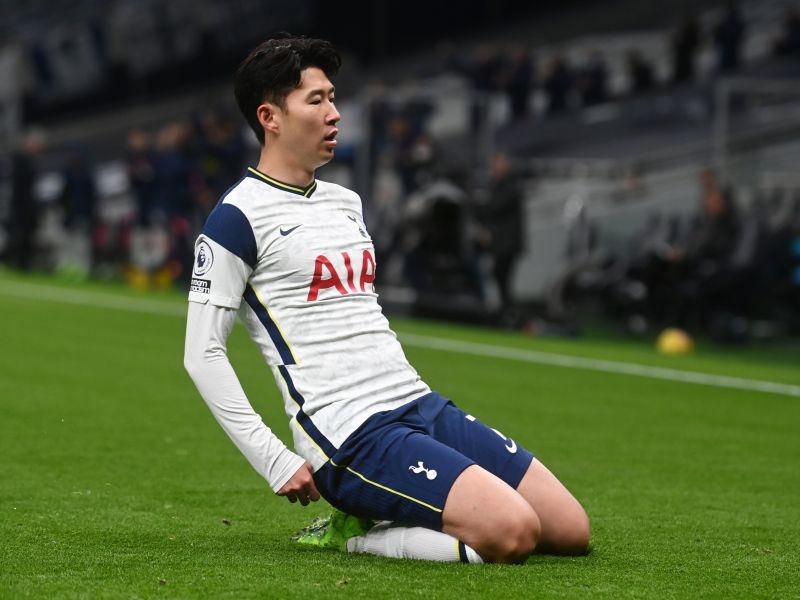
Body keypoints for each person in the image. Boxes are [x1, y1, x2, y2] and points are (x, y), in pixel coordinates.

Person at [183, 36, 590, 564]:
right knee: (513, 534)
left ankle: (398, 505)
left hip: (417, 403)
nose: (334, 114)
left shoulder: (346, 202)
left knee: (569, 530)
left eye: (333, 98)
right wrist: (274, 460)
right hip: (350, 434)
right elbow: (202, 353)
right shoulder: (235, 219)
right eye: (316, 100)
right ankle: (356, 532)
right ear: (270, 116)